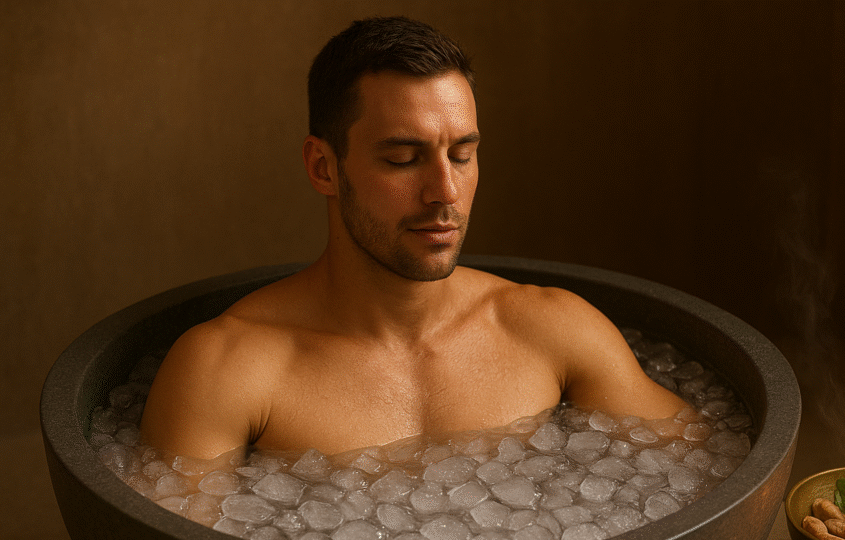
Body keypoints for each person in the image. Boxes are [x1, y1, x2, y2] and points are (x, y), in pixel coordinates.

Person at [140, 16, 695, 462]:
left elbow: (707, 466)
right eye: (403, 159)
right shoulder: (228, 367)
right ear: (323, 167)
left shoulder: (553, 330)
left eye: (462, 154)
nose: (444, 191)